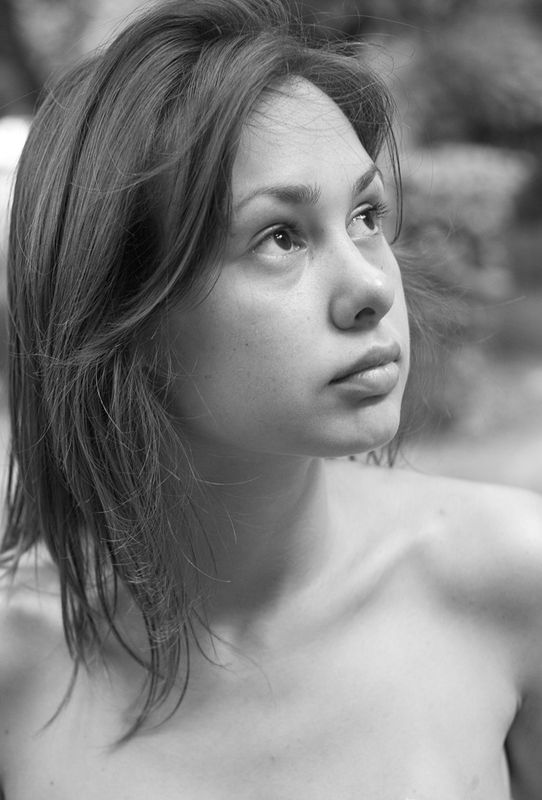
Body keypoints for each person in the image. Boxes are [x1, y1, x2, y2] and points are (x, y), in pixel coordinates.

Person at [0, 0, 541, 797]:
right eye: (280, 236)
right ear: (127, 313)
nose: (370, 286)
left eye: (366, 215)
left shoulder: (509, 579)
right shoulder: (20, 668)